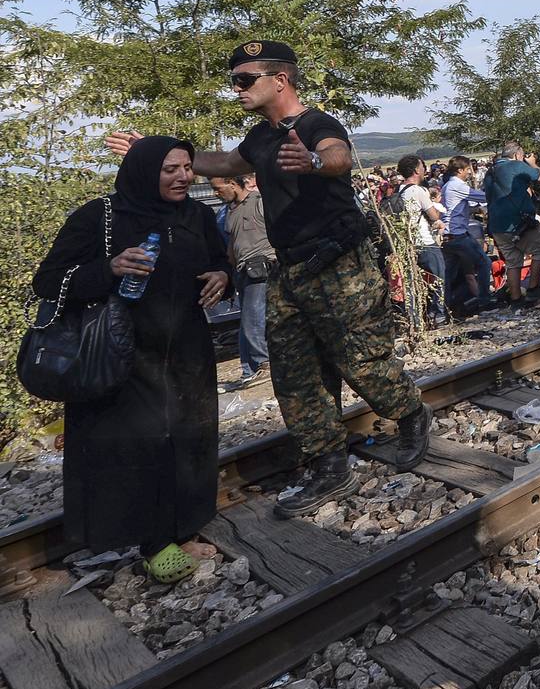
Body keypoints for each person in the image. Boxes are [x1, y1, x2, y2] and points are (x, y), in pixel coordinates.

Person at [105, 40, 432, 519]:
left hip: (340, 264)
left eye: (245, 79)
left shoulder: (317, 124)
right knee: (294, 372)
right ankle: (328, 464)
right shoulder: (260, 138)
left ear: (279, 80)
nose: (235, 88)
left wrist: (316, 163)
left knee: (361, 361)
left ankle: (410, 413)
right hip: (290, 268)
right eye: (233, 80)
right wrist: (153, 150)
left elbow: (336, 154)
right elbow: (221, 164)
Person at [35, 137, 232, 583]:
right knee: (135, 448)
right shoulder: (99, 217)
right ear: (144, 172)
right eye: (170, 170)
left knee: (187, 441)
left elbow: (222, 263)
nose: (183, 177)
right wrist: (109, 269)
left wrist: (224, 276)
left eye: (187, 168)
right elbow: (47, 281)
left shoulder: (197, 216)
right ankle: (153, 543)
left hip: (186, 354)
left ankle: (182, 529)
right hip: (119, 358)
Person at [210, 174, 274, 389]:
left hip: (260, 267)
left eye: (218, 188)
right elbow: (232, 245)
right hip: (241, 271)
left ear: (233, 183)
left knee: (253, 320)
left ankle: (264, 365)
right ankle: (249, 370)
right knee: (247, 323)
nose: (215, 193)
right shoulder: (229, 211)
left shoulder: (260, 203)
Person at [483, 140, 540, 307]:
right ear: (516, 155)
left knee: (513, 261)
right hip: (518, 222)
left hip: (496, 225)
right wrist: (532, 163)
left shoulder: (489, 172)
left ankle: (516, 299)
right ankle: (533, 288)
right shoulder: (515, 166)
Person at [396, 155, 448, 326]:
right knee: (438, 277)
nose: (425, 170)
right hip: (424, 241)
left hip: (406, 244)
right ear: (416, 170)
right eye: (422, 166)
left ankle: (415, 319)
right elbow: (433, 215)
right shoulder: (419, 190)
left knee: (412, 283)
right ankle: (438, 316)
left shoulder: (398, 190)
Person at [440, 156, 494, 315]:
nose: (470, 172)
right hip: (458, 235)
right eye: (467, 169)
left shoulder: (447, 186)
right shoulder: (457, 185)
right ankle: (484, 300)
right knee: (484, 263)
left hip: (447, 237)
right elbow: (483, 197)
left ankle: (446, 308)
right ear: (460, 170)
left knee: (449, 274)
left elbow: (467, 205)